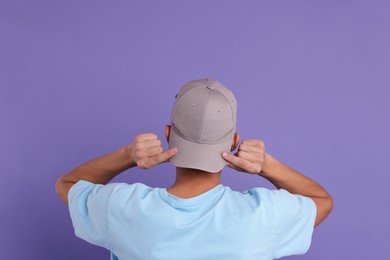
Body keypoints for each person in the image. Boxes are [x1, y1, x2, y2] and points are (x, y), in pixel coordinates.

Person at [56, 78, 333, 260]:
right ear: (234, 141)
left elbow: (67, 184)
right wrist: (266, 165)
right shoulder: (262, 216)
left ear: (167, 134)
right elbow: (321, 200)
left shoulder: (123, 208)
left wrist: (128, 155)